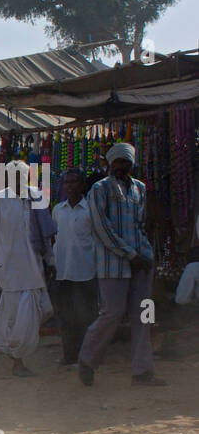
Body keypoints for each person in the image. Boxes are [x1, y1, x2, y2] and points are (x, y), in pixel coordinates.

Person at [78, 142, 165, 387]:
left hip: (141, 262)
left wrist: (144, 254)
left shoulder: (140, 188)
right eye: (117, 162)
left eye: (126, 163)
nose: (122, 167)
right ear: (109, 162)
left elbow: (140, 223)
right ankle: (87, 359)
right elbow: (101, 228)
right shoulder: (99, 188)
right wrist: (130, 255)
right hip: (112, 264)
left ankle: (142, 372)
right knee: (112, 313)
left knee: (143, 317)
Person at [0, 161, 54, 376]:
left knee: (38, 312)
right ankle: (17, 361)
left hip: (34, 267)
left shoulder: (36, 197)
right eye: (14, 176)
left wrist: (51, 260)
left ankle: (18, 355)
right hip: (9, 269)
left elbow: (45, 234)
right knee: (14, 319)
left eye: (22, 175)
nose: (18, 179)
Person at [50, 169, 98, 366]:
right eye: (67, 182)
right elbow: (53, 239)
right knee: (65, 317)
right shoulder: (57, 210)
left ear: (82, 185)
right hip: (62, 272)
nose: (70, 186)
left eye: (74, 182)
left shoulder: (90, 210)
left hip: (85, 271)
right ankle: (69, 355)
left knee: (87, 317)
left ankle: (89, 356)